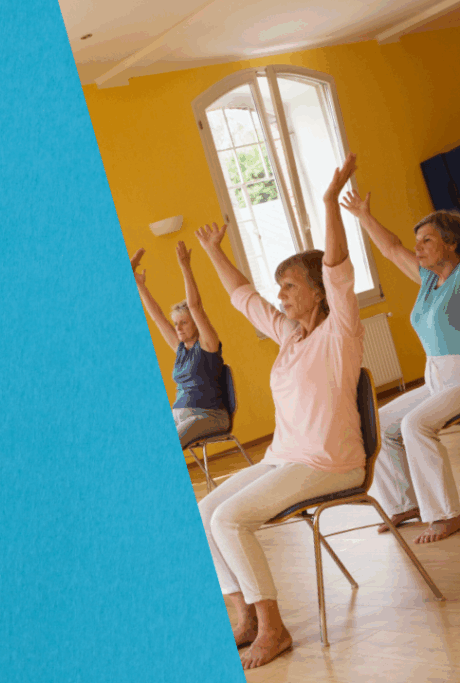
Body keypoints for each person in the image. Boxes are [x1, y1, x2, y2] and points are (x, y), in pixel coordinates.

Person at [195, 154, 366, 669]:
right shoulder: (292, 336)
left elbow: (337, 267)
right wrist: (212, 251)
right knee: (203, 512)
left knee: (229, 519)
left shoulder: (340, 332)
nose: (281, 296)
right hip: (284, 458)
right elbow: (243, 297)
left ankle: (273, 628)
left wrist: (328, 204)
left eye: (290, 286)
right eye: (281, 287)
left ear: (318, 292)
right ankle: (245, 614)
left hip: (327, 462)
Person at [341, 190, 460, 543]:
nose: (418, 248)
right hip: (438, 379)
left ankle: (446, 513)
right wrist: (364, 215)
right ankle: (404, 503)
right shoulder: (427, 280)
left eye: (427, 240)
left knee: (415, 424)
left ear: (452, 244)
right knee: (382, 424)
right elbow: (392, 248)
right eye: (417, 241)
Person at [131, 241, 229, 448]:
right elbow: (157, 317)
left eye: (184, 322)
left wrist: (185, 266)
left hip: (209, 416)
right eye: (176, 323)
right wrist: (140, 285)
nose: (178, 327)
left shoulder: (208, 345)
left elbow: (195, 306)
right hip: (179, 415)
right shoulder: (179, 348)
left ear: (196, 323)